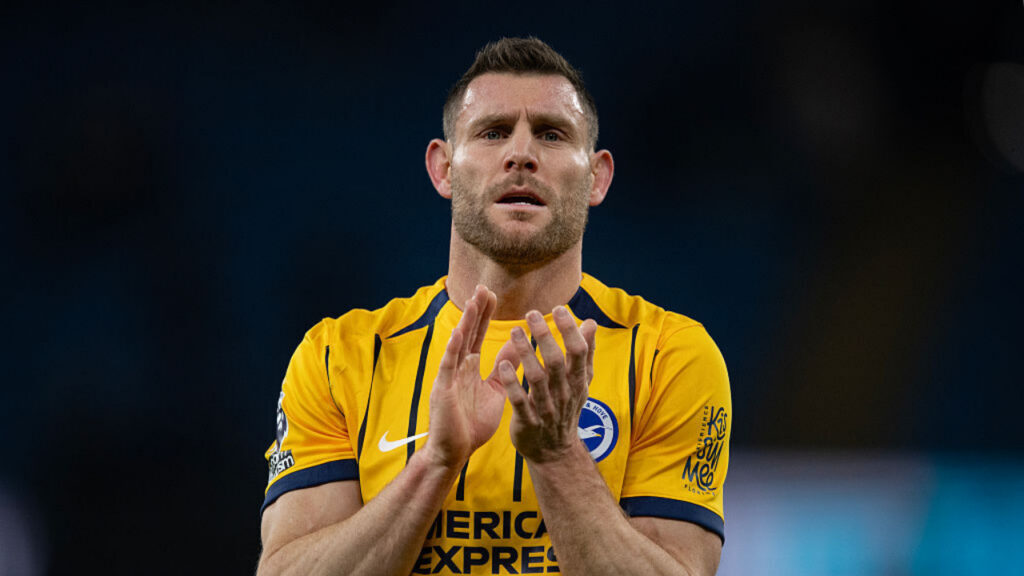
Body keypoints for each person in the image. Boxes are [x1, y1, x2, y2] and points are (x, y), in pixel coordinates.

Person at [257, 37, 731, 576]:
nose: (521, 154)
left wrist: (558, 456)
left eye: (551, 134)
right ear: (443, 168)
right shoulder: (340, 357)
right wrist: (435, 464)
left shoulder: (670, 357)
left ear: (597, 177)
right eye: (493, 132)